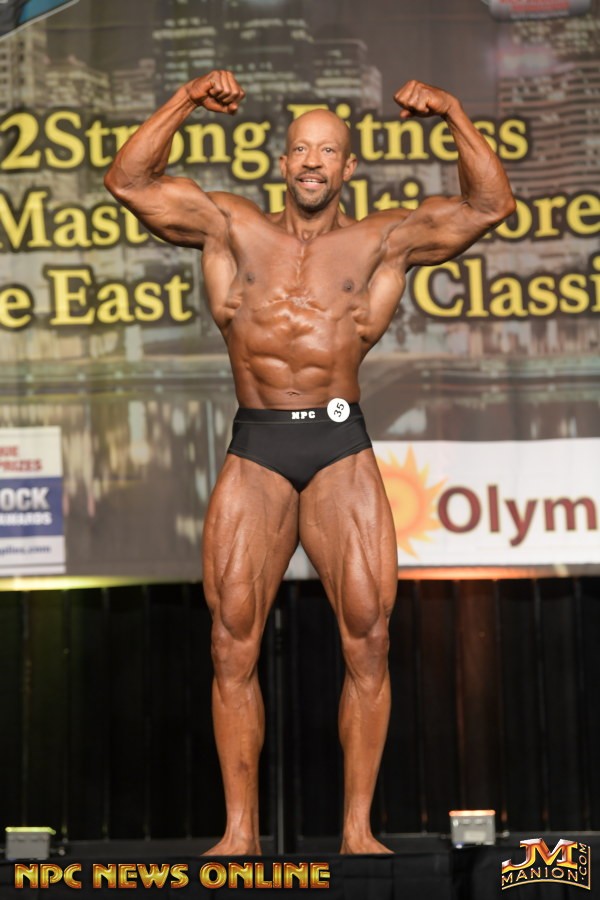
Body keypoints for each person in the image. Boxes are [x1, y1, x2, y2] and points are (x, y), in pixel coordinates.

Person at [104, 70, 515, 855]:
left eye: (328, 151)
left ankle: (358, 832)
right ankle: (240, 833)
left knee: (369, 637)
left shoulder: (383, 240)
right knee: (231, 641)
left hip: (338, 447)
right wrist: (187, 99)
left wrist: (455, 112)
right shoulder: (231, 229)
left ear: (348, 167)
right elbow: (128, 181)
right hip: (258, 445)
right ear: (283, 162)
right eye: (301, 149)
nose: (313, 162)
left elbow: (490, 205)